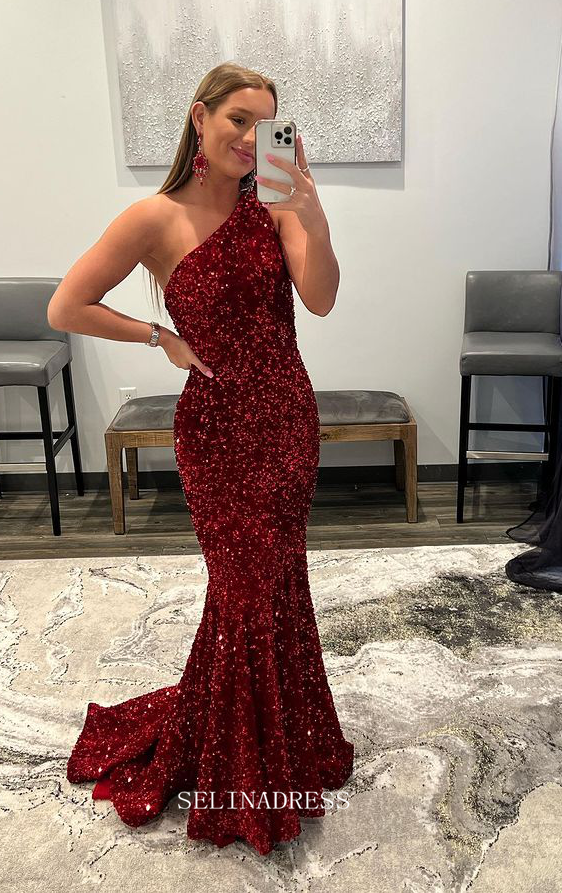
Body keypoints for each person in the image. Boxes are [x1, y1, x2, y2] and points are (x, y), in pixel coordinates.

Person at [48, 61, 353, 856]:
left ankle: (282, 739)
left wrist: (311, 211)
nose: (251, 138)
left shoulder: (275, 203)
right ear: (199, 118)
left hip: (286, 421)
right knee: (242, 589)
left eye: (265, 123)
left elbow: (320, 298)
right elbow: (67, 305)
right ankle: (243, 764)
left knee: (277, 582)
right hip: (215, 432)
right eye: (237, 119)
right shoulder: (154, 218)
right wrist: (159, 336)